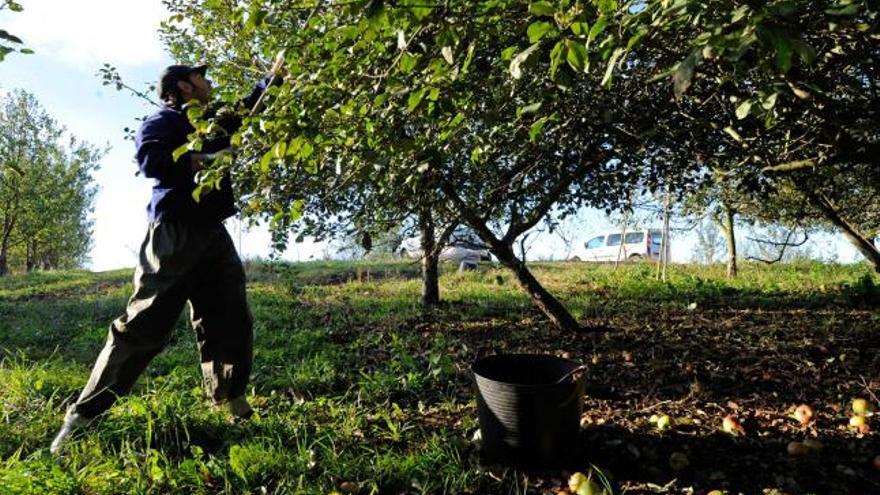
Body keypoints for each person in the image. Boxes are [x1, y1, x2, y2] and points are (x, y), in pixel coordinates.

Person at [50, 60, 283, 455]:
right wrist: (201, 160)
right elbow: (150, 161)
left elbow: (245, 110)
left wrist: (272, 79)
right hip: (174, 233)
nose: (208, 82)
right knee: (144, 325)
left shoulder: (212, 122)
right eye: (201, 77)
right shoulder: (162, 121)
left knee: (230, 315)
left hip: (213, 232)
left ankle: (228, 396)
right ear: (184, 87)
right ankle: (83, 417)